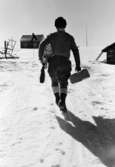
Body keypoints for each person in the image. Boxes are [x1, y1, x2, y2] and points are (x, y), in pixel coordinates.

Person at [39, 17, 81, 113]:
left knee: (54, 81)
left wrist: (42, 60)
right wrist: (78, 64)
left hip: (53, 63)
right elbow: (75, 50)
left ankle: (57, 99)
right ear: (65, 26)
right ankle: (62, 101)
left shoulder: (51, 36)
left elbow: (42, 45)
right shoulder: (69, 37)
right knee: (63, 83)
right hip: (65, 63)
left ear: (56, 26)